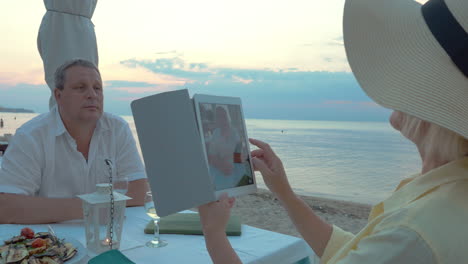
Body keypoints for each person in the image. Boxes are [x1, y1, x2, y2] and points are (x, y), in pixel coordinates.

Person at [198, 0, 468, 263]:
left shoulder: (416, 231)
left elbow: (398, 244)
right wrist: (284, 192)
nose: (394, 75)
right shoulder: (447, 191)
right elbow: (352, 251)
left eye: (409, 69)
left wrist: (213, 235)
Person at [0, 59, 147, 224]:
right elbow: (7, 207)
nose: (92, 94)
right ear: (58, 95)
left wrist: (83, 208)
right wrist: (90, 208)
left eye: (97, 88)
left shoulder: (117, 129)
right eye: (80, 87)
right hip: (49, 242)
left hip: (109, 237)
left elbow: (139, 190)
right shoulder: (31, 136)